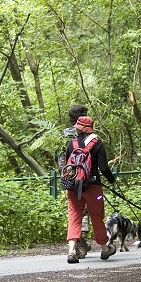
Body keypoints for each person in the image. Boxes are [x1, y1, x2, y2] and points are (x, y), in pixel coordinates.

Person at [65, 115, 116, 263]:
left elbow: (68, 168)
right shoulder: (97, 143)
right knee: (97, 217)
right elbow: (104, 168)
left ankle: (71, 251)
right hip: (93, 187)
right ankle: (104, 248)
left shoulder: (71, 143)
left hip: (73, 188)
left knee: (74, 217)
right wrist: (112, 181)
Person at [59, 104, 92, 259]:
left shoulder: (64, 134)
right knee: (84, 212)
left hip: (69, 177)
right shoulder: (85, 133)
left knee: (74, 215)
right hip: (86, 178)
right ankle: (81, 244)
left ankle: (79, 244)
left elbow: (60, 157)